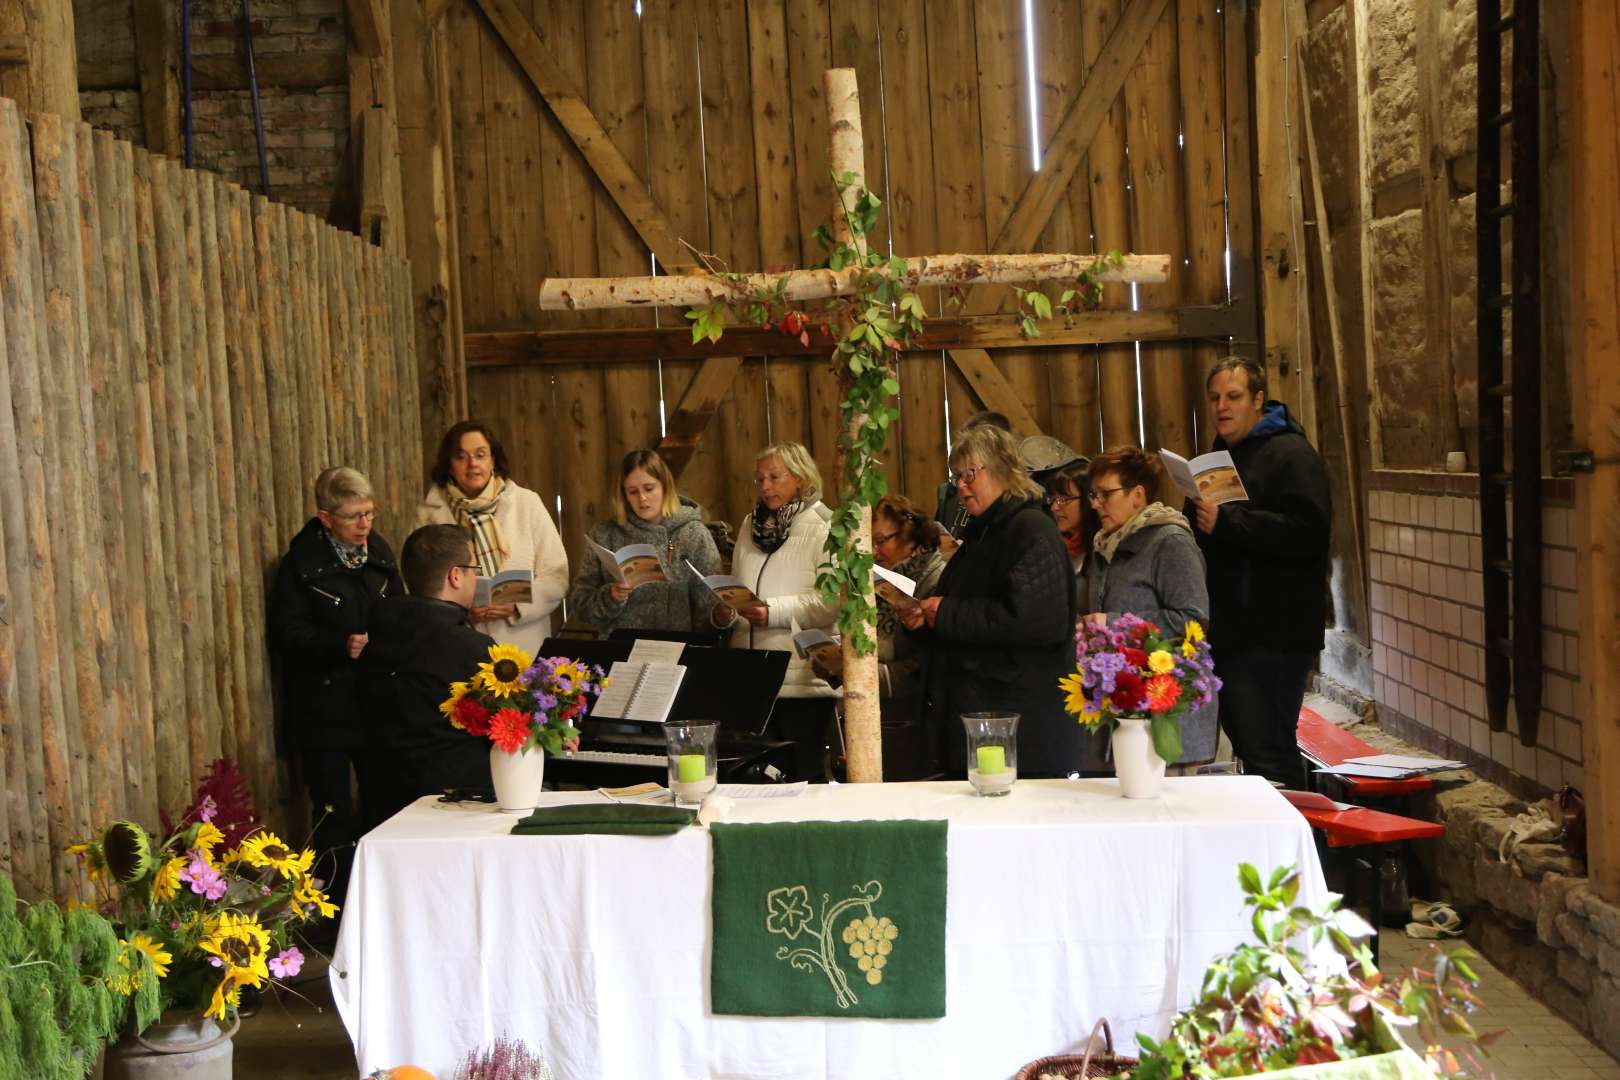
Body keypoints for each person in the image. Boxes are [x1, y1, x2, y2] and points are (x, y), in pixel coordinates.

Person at [903, 424, 1081, 777]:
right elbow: (967, 613)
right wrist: (927, 622)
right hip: (982, 714)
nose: (962, 486)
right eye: (957, 477)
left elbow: (1037, 621)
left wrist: (947, 612)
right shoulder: (982, 533)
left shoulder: (1030, 529)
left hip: (1019, 722)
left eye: (970, 474)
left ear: (1002, 468)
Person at [1191, 356, 1331, 789]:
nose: (1221, 406)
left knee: (1269, 748)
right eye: (1214, 398)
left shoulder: (1291, 454)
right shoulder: (1220, 456)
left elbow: (1309, 531)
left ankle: (1300, 852)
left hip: (1276, 633)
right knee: (1252, 747)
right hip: (1234, 630)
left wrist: (1228, 522)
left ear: (1257, 400)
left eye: (1232, 397)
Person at [268, 466, 402, 906]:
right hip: (324, 708)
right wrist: (338, 644)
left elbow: (400, 610)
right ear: (325, 518)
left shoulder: (378, 552)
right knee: (333, 815)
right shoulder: (300, 565)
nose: (365, 525)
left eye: (370, 513)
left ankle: (386, 902)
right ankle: (336, 910)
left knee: (387, 801)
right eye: (353, 517)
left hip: (376, 701)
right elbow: (287, 634)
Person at [1080, 447, 1217, 766]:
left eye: (1105, 494)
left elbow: (1193, 619)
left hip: (1168, 719)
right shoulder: (1106, 545)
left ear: (1137, 496)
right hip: (1122, 713)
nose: (1096, 503)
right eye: (1093, 494)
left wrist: (1110, 624)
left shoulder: (1171, 543)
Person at [357, 524, 498, 825]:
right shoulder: (473, 650)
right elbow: (505, 732)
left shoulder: (374, 644)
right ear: (455, 576)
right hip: (460, 808)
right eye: (474, 569)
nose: (477, 577)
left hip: (385, 809)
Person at [714, 442, 838, 780]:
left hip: (801, 679)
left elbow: (830, 603)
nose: (765, 486)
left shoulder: (826, 526)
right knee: (753, 779)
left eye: (774, 477)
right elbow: (740, 589)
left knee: (802, 776)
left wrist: (773, 612)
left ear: (800, 478)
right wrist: (727, 613)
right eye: (759, 479)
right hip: (751, 678)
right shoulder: (748, 525)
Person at [809, 495, 947, 780]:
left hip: (911, 716)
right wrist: (836, 664)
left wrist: (864, 675)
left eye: (882, 540)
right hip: (873, 711)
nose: (874, 550)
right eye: (869, 542)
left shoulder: (934, 575)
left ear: (909, 534)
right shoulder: (874, 575)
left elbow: (928, 660)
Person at [416, 421, 569, 656]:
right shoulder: (429, 515)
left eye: (480, 454)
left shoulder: (526, 503)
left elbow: (557, 576)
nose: (473, 464)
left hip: (523, 645)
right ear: (449, 465)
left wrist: (517, 605)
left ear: (493, 460)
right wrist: (459, 610)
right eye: (461, 456)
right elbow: (420, 585)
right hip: (456, 645)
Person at [566, 449, 723, 637]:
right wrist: (610, 597)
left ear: (665, 487)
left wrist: (721, 616)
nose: (642, 499)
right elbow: (580, 604)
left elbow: (710, 609)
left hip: (676, 649)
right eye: (632, 492)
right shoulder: (605, 535)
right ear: (623, 495)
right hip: (619, 650)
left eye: (649, 489)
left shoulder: (694, 534)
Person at [934, 410, 1012, 542]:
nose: (960, 484)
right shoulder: (950, 496)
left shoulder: (1026, 520)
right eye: (958, 475)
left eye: (970, 473)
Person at [1044, 457, 1101, 589]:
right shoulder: (1053, 547)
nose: (1054, 508)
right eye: (1053, 499)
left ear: (1088, 500)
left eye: (1063, 499)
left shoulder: (1103, 550)